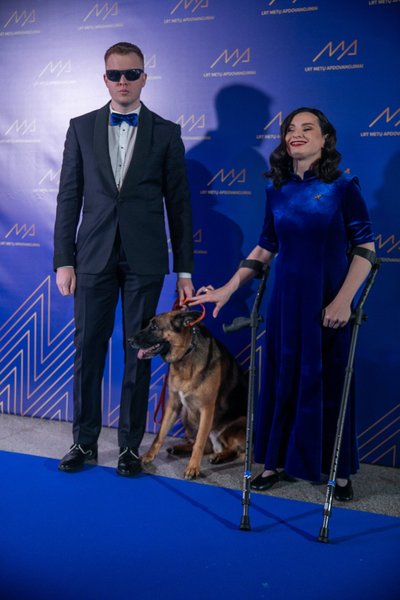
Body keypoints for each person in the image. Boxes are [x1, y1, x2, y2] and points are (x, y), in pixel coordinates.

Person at [189, 107, 375, 501]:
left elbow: (366, 248)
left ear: (326, 139)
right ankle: (274, 462)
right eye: (291, 129)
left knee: (329, 382)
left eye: (308, 128)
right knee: (280, 377)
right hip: (285, 304)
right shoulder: (277, 189)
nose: (297, 134)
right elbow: (266, 245)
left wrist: (344, 301)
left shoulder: (344, 186)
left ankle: (337, 472)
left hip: (328, 302)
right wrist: (226, 288)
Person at [54, 42, 194, 476]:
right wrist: (64, 259)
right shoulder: (80, 127)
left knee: (140, 354)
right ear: (105, 78)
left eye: (131, 74)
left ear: (144, 78)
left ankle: (131, 448)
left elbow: (180, 205)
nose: (123, 82)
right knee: (87, 351)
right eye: (115, 74)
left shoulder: (166, 132)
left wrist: (185, 269)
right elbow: (69, 197)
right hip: (92, 255)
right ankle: (84, 441)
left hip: (145, 259)